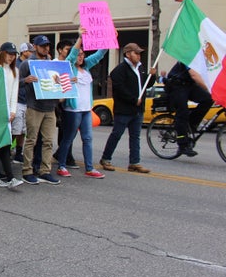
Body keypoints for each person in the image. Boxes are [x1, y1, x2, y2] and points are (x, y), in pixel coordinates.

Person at [55, 29, 107, 179]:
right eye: (78, 54)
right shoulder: (69, 66)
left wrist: (108, 39)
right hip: (73, 109)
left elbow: (99, 55)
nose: (80, 56)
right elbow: (72, 55)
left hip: (86, 109)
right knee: (68, 138)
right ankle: (62, 165)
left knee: (88, 138)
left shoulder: (86, 68)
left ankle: (90, 168)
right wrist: (80, 37)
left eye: (82, 55)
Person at [99, 43, 156, 173]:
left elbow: (146, 84)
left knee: (135, 137)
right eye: (136, 53)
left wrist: (152, 75)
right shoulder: (120, 70)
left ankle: (134, 162)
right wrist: (133, 99)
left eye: (139, 53)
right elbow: (120, 89)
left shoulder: (140, 68)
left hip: (137, 110)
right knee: (117, 134)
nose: (139, 56)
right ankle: (106, 159)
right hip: (124, 110)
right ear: (128, 54)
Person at [19, 35, 61, 185]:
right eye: (42, 45)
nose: (46, 48)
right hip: (34, 107)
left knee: (48, 141)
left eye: (47, 46)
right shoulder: (27, 64)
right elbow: (16, 83)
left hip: (50, 108)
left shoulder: (51, 63)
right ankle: (27, 171)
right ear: (35, 47)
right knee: (31, 139)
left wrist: (63, 82)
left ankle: (45, 171)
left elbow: (58, 83)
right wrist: (26, 80)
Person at [0, 43, 23, 189]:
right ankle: (6, 177)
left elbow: (14, 93)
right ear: (2, 53)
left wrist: (13, 111)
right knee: (1, 145)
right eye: (9, 53)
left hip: (7, 113)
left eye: (13, 54)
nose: (11, 56)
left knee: (3, 145)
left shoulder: (14, 70)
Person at [165, 61, 213, 157]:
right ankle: (183, 145)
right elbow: (194, 75)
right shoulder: (188, 56)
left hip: (189, 85)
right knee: (183, 112)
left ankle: (190, 125)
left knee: (208, 100)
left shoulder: (203, 59)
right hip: (177, 85)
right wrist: (209, 89)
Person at [54, 39, 78, 170]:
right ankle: (63, 155)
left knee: (70, 131)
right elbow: (53, 80)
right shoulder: (54, 63)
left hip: (68, 101)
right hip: (57, 102)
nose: (69, 52)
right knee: (63, 131)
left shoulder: (71, 64)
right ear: (60, 50)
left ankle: (64, 154)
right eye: (67, 49)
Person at [11, 43, 35, 163]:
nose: (32, 53)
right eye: (30, 51)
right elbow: (14, 82)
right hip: (18, 100)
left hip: (29, 101)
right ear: (24, 52)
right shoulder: (16, 65)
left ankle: (19, 152)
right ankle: (9, 149)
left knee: (24, 130)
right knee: (16, 129)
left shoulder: (32, 64)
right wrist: (25, 80)